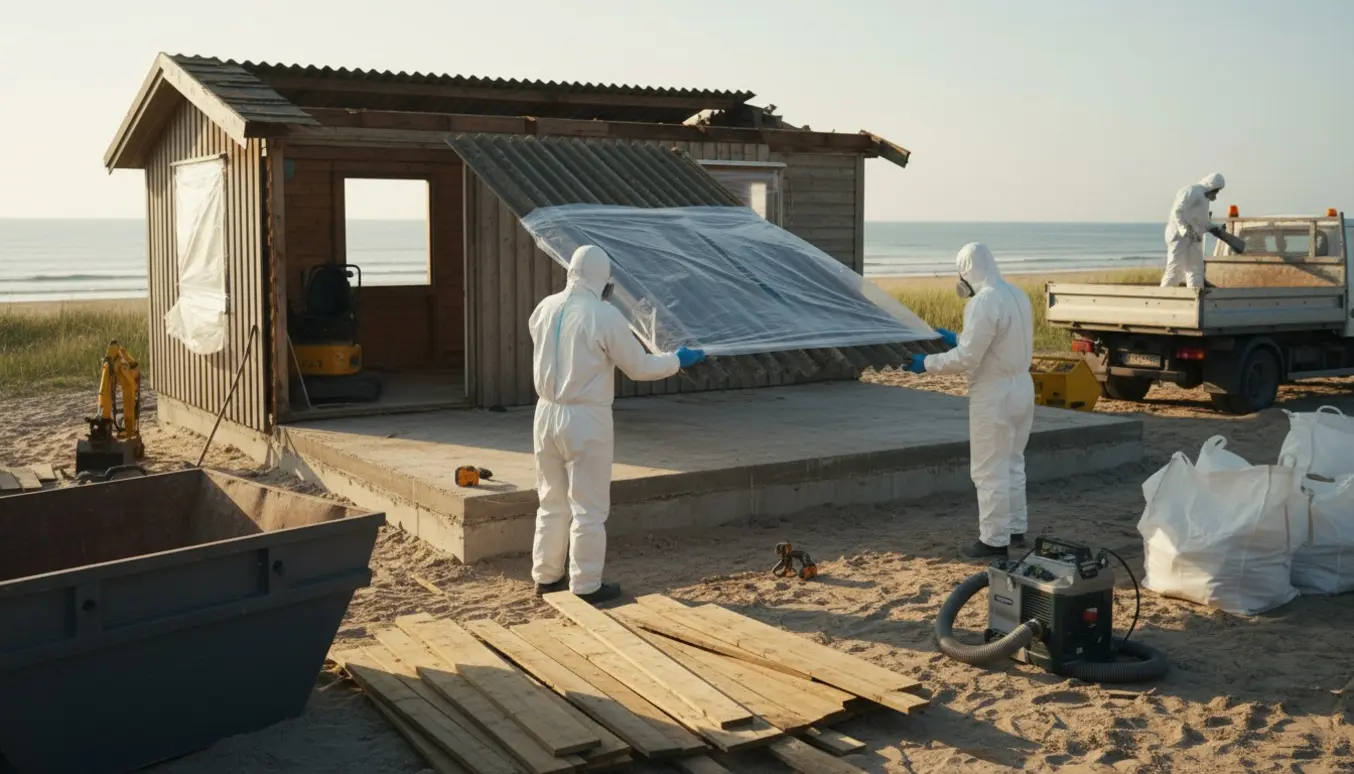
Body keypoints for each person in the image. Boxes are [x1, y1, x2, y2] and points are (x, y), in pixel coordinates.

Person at [529, 244, 705, 603]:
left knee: (550, 501)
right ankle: (586, 585)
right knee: (588, 508)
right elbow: (639, 367)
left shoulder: (544, 308)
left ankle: (546, 577)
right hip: (585, 416)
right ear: (604, 279)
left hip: (545, 413)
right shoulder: (604, 316)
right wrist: (677, 360)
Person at [904, 243, 1035, 558]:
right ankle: (1016, 528)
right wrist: (958, 338)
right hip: (1022, 388)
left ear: (966, 271)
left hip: (994, 394)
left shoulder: (983, 302)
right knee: (1013, 462)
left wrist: (927, 363)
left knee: (989, 469)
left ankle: (993, 540)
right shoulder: (1017, 295)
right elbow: (996, 344)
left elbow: (967, 359)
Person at [1160, 173, 1227, 288]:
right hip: (1179, 236)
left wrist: (1215, 228)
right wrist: (1184, 230)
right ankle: (1163, 299)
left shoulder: (1205, 199)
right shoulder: (1192, 191)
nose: (1216, 194)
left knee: (1195, 270)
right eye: (1216, 190)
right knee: (1176, 269)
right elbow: (1178, 211)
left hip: (1194, 237)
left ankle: (1195, 298)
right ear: (1211, 186)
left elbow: (1203, 221)